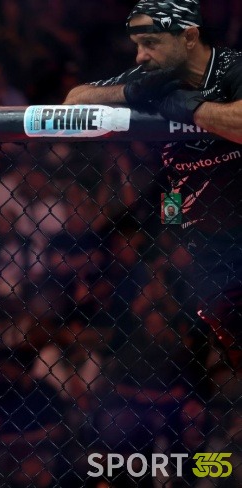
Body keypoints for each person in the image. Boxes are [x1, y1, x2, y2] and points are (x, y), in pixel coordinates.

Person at [64, 0, 242, 369]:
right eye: (137, 45)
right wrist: (131, 93)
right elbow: (73, 101)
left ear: (188, 37)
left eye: (151, 43)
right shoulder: (154, 77)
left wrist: (192, 108)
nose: (140, 56)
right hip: (206, 248)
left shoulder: (232, 68)